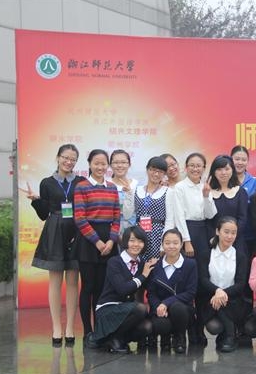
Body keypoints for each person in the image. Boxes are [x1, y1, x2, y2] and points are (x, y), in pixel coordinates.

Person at [23, 144, 85, 347]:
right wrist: (36, 200)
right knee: (55, 281)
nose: (69, 162)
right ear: (58, 157)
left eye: (73, 159)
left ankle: (70, 328)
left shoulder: (81, 182)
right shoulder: (47, 183)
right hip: (55, 230)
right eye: (65, 157)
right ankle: (57, 328)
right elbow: (44, 214)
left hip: (76, 230)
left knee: (73, 281)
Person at [72, 149, 121, 337]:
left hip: (109, 241)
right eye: (96, 163)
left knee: (102, 289)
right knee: (88, 287)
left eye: (103, 164)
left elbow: (116, 217)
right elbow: (80, 219)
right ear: (89, 164)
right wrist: (98, 242)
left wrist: (111, 240)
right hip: (88, 242)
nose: (100, 167)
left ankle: (100, 329)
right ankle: (88, 331)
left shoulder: (112, 187)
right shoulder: (82, 187)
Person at [84, 226, 156, 353]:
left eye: (140, 241)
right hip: (108, 309)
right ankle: (108, 338)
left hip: (127, 310)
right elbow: (123, 289)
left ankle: (114, 339)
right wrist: (143, 276)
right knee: (140, 308)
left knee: (147, 326)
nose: (136, 244)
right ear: (125, 242)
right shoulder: (114, 262)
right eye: (132, 240)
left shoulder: (142, 264)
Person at [198, 217, 251, 352]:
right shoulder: (206, 254)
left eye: (233, 233)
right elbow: (203, 280)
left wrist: (223, 293)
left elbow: (240, 284)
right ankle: (230, 334)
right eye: (226, 232)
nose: (230, 236)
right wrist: (217, 291)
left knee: (224, 303)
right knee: (214, 325)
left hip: (233, 300)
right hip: (211, 299)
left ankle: (229, 336)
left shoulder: (240, 256)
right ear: (217, 231)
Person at [146, 229, 198, 354]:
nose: (171, 246)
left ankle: (179, 338)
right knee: (160, 325)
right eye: (167, 243)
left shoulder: (190, 264)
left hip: (183, 309)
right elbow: (151, 293)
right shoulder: (155, 266)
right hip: (160, 309)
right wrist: (158, 306)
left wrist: (166, 303)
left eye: (175, 243)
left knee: (177, 308)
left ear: (181, 244)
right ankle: (165, 340)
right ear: (162, 244)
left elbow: (190, 292)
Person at [173, 152, 217, 260]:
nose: (195, 169)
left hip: (203, 230)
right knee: (188, 263)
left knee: (203, 264)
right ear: (186, 167)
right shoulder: (179, 187)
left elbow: (210, 215)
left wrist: (206, 196)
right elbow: (179, 216)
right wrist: (186, 241)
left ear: (204, 168)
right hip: (187, 229)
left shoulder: (205, 187)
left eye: (198, 166)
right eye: (192, 165)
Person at [134, 156, 176, 263]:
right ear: (147, 170)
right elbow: (128, 214)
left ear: (164, 174)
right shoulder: (137, 189)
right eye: (153, 170)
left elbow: (170, 220)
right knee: (138, 265)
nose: (156, 174)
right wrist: (129, 194)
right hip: (139, 235)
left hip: (157, 236)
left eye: (160, 172)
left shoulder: (168, 192)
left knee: (155, 266)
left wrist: (164, 244)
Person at [208, 155, 248, 256]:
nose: (223, 173)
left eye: (227, 169)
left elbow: (242, 218)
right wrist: (216, 238)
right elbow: (207, 220)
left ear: (232, 170)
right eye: (219, 169)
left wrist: (231, 236)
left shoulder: (240, 191)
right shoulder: (207, 192)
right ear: (213, 172)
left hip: (236, 241)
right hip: (214, 241)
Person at [231, 145, 256, 255]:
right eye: (237, 159)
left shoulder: (255, 182)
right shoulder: (225, 180)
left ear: (247, 162)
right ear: (231, 159)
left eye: (243, 160)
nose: (240, 162)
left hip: (250, 233)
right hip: (229, 233)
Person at [109, 149, 136, 235]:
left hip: (132, 233)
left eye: (123, 162)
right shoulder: (106, 184)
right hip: (110, 232)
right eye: (116, 162)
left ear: (129, 164)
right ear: (110, 165)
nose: (120, 165)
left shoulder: (136, 185)